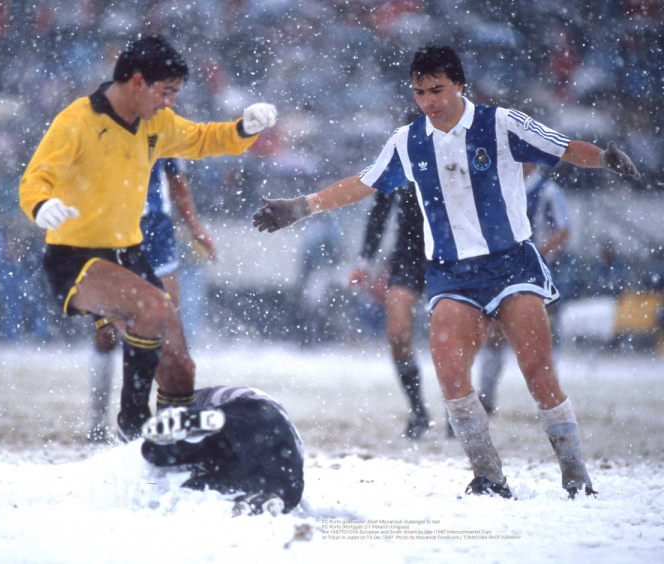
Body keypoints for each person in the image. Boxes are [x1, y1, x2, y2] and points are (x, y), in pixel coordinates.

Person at [252, 44, 640, 499]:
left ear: (460, 85)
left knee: (538, 372)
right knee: (451, 374)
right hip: (451, 273)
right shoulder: (407, 140)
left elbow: (562, 147)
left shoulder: (501, 123)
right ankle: (489, 476)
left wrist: (604, 157)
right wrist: (301, 206)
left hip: (511, 265)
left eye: (437, 90)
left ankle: (576, 476)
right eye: (419, 92)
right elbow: (362, 183)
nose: (428, 101)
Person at [19, 35, 276, 442]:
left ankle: (167, 450)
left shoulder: (157, 122)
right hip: (76, 257)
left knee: (180, 368)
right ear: (138, 82)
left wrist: (244, 128)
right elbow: (36, 178)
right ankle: (133, 425)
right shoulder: (78, 120)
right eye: (166, 92)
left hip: (130, 253)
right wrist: (40, 205)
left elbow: (204, 139)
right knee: (150, 308)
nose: (170, 102)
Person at [87, 158, 217, 443]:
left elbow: (176, 177)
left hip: (155, 231)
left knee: (168, 328)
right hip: (111, 228)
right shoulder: (100, 132)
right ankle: (98, 421)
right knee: (106, 333)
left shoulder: (163, 133)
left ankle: (163, 423)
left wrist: (194, 225)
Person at [477, 162, 572, 414]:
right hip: (504, 271)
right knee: (495, 331)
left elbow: (564, 230)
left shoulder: (548, 190)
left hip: (537, 273)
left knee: (542, 336)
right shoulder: (502, 187)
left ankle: (550, 398)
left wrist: (537, 253)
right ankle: (486, 396)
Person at [140, 385, 305, 516]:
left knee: (158, 454)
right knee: (285, 493)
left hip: (253, 420)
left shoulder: (195, 401)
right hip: (270, 450)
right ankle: (256, 500)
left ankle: (187, 440)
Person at [348, 183, 430, 439]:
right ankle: (418, 409)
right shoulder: (400, 162)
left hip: (452, 253)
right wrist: (365, 260)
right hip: (409, 253)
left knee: (452, 337)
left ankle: (459, 406)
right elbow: (380, 210)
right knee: (397, 334)